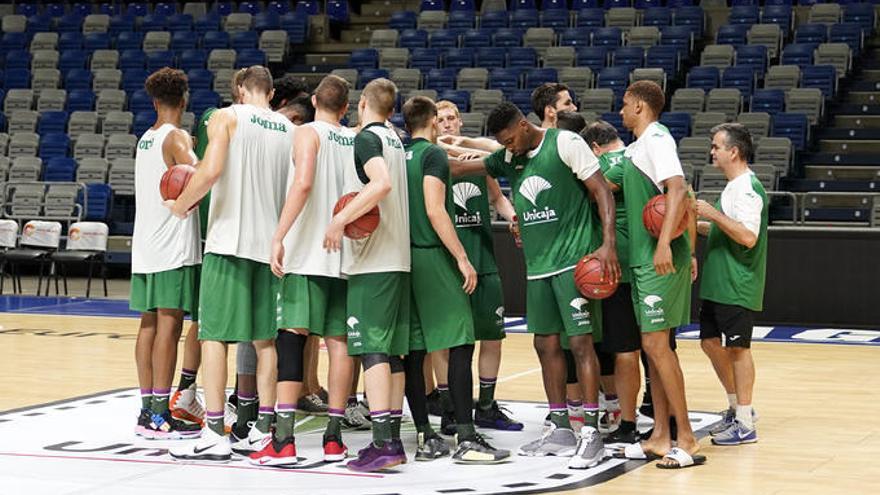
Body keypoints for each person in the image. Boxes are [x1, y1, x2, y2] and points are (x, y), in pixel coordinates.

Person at [451, 102, 620, 470]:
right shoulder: (511, 158)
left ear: (524, 126)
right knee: (544, 345)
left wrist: (608, 244)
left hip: (574, 263)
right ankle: (560, 427)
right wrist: (416, 152)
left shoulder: (565, 144)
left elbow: (602, 192)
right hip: (538, 268)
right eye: (503, 143)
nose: (508, 147)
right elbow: (463, 166)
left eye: (511, 139)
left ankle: (590, 432)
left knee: (580, 344)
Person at [169, 66, 293, 463]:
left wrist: (182, 202)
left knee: (214, 337)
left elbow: (210, 169)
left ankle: (213, 430)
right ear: (272, 94)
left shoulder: (226, 116)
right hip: (269, 246)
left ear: (240, 89)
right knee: (265, 342)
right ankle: (261, 430)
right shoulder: (288, 130)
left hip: (228, 242)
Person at [249, 75, 356, 467]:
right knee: (339, 342)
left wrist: (279, 235)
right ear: (346, 108)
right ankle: (333, 438)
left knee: (292, 339)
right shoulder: (356, 139)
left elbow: (304, 182)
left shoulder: (307, 133)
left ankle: (284, 440)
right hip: (345, 254)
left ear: (314, 101)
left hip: (308, 252)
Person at [403, 96, 510, 463]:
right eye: (441, 118)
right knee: (462, 341)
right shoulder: (432, 156)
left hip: (405, 259)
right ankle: (466, 436)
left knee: (415, 351)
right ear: (433, 120)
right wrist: (461, 257)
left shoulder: (400, 154)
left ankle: (424, 436)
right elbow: (436, 210)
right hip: (435, 254)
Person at [615, 80, 703, 469]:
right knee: (654, 348)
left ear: (638, 106)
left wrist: (666, 241)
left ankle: (686, 437)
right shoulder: (637, 147)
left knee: (657, 347)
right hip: (642, 259)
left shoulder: (657, 138)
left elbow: (679, 188)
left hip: (659, 259)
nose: (620, 112)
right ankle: (660, 436)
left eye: (624, 105)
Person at [324, 78, 410, 472]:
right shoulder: (396, 138)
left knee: (372, 348)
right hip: (397, 260)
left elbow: (382, 184)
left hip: (373, 261)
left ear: (362, 105)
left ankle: (382, 444)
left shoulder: (368, 139)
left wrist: (340, 219)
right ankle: (391, 438)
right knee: (391, 352)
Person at [433, 100, 522, 432]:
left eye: (451, 118)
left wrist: (514, 217)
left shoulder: (478, 161)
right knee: (445, 341)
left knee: (493, 336)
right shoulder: (432, 161)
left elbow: (498, 198)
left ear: (459, 122)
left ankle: (485, 405)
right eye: (440, 119)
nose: (447, 123)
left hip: (483, 260)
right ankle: (448, 409)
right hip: (447, 264)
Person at [169, 68, 245, 432]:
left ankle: (188, 391)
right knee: (211, 322)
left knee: (208, 320)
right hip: (220, 227)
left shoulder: (219, 120)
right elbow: (206, 168)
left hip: (222, 226)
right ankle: (194, 394)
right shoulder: (220, 118)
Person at [131, 68, 203, 440]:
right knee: (170, 326)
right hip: (171, 245)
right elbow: (202, 176)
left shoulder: (146, 137)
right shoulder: (176, 138)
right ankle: (160, 412)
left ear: (155, 101)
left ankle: (146, 409)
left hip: (145, 243)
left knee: (148, 325)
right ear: (185, 100)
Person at [695, 123, 767, 446]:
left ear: (733, 151)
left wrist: (712, 215)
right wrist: (697, 225)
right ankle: (738, 408)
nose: (712, 152)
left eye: (716, 146)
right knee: (710, 343)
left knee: (739, 348)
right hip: (718, 283)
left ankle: (745, 422)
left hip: (737, 282)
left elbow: (748, 237)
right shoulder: (733, 186)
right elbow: (729, 231)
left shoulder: (748, 188)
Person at [580, 120, 644, 445]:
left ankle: (627, 422)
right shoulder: (641, 156)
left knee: (623, 350)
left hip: (618, 270)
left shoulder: (610, 163)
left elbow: (589, 189)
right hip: (646, 267)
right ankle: (656, 415)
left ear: (593, 149)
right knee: (653, 349)